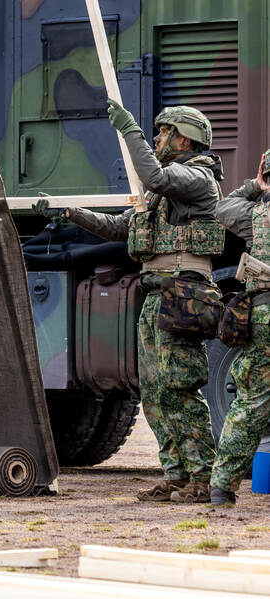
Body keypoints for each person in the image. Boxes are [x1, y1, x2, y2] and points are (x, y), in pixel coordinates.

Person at [36, 103, 223, 503]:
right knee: (155, 393)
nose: (156, 140)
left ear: (184, 138)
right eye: (153, 134)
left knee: (179, 389)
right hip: (157, 295)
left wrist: (130, 131)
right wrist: (69, 212)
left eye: (162, 132)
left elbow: (152, 175)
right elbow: (119, 228)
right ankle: (175, 476)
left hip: (182, 295)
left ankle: (202, 477)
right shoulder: (162, 197)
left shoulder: (197, 178)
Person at [209, 150, 270, 505]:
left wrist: (254, 185)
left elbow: (222, 207)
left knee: (250, 403)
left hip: (262, 317)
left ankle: (222, 486)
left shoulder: (255, 215)